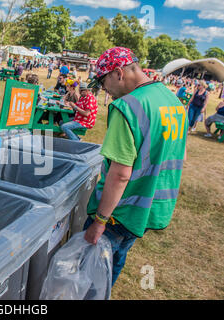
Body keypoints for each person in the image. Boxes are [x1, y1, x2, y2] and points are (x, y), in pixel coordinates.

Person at [84, 47, 188, 287]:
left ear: (118, 73)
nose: (104, 90)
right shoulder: (171, 99)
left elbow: (120, 174)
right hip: (149, 209)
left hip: (119, 212)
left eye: (102, 81)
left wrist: (100, 221)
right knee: (113, 265)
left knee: (90, 276)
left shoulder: (127, 107)